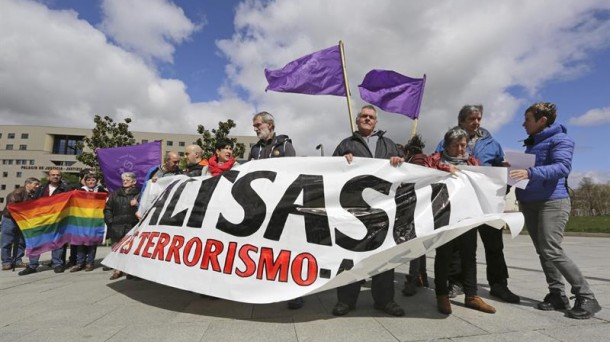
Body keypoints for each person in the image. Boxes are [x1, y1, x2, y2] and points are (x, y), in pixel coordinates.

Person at [510, 102, 601, 320]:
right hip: (530, 202)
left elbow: (562, 167)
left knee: (551, 249)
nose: (524, 124)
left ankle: (586, 296)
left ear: (542, 121)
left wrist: (529, 172)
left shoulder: (561, 139)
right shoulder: (532, 143)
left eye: (528, 119)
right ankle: (557, 294)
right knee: (543, 251)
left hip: (553, 202)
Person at [435, 104, 519, 304]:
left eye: (479, 118)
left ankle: (499, 284)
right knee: (457, 246)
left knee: (494, 244)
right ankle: (456, 282)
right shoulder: (445, 141)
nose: (476, 122)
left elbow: (500, 169)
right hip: (461, 204)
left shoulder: (493, 143)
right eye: (472, 119)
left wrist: (504, 181)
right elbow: (437, 163)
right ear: (461, 121)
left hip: (487, 203)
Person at [331, 105, 405, 317]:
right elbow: (331, 172)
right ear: (357, 121)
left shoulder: (388, 144)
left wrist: (398, 161)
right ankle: (345, 301)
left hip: (383, 210)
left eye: (371, 117)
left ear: (376, 122)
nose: (367, 119)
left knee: (383, 255)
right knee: (351, 256)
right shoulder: (346, 144)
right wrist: (340, 162)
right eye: (363, 116)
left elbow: (402, 172)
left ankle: (385, 300)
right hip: (354, 210)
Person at [424, 126, 496, 315]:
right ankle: (442, 294)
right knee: (444, 255)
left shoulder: (472, 162)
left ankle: (471, 295)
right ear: (447, 145)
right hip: (444, 215)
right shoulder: (435, 160)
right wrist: (445, 168)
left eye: (464, 145)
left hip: (467, 215)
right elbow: (422, 171)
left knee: (469, 255)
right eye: (457, 145)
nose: (462, 149)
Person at [248, 111, 299, 309]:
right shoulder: (254, 150)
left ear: (270, 124)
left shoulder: (285, 145)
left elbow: (294, 171)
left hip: (282, 205)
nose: (255, 128)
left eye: (258, 124)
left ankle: (294, 293)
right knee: (262, 249)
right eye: (254, 125)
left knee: (287, 249)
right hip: (260, 206)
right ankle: (264, 287)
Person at [19, 168, 71, 275]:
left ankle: (57, 264)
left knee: (58, 242)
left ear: (60, 177)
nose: (55, 176)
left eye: (57, 175)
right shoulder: (41, 188)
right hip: (41, 220)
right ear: (49, 176)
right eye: (53, 175)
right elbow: (34, 202)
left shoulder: (66, 188)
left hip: (58, 220)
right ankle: (33, 265)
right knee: (36, 241)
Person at [400, 134, 429, 296]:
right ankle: (421, 275)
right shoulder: (423, 158)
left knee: (415, 244)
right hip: (422, 207)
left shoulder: (416, 160)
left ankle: (412, 279)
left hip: (414, 206)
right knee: (420, 244)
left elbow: (414, 181)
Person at [104, 172, 141, 280]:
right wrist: (110, 221)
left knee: (132, 249)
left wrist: (138, 203)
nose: (124, 181)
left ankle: (131, 271)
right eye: (123, 180)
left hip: (133, 225)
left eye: (127, 180)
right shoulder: (115, 193)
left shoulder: (139, 193)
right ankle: (117, 270)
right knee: (117, 249)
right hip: (117, 225)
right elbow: (108, 209)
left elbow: (146, 205)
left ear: (134, 181)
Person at [70, 174, 107, 272]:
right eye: (89, 180)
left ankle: (90, 263)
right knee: (80, 243)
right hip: (81, 221)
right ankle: (79, 263)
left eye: (93, 180)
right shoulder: (79, 191)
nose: (91, 182)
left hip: (95, 221)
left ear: (96, 181)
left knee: (92, 243)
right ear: (85, 181)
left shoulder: (102, 192)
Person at [1, 177, 40, 271]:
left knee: (21, 242)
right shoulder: (17, 192)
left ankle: (17, 261)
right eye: (36, 184)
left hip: (22, 220)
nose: (38, 186)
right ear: (28, 184)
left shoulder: (34, 194)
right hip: (10, 219)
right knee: (7, 242)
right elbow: (12, 207)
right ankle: (6, 262)